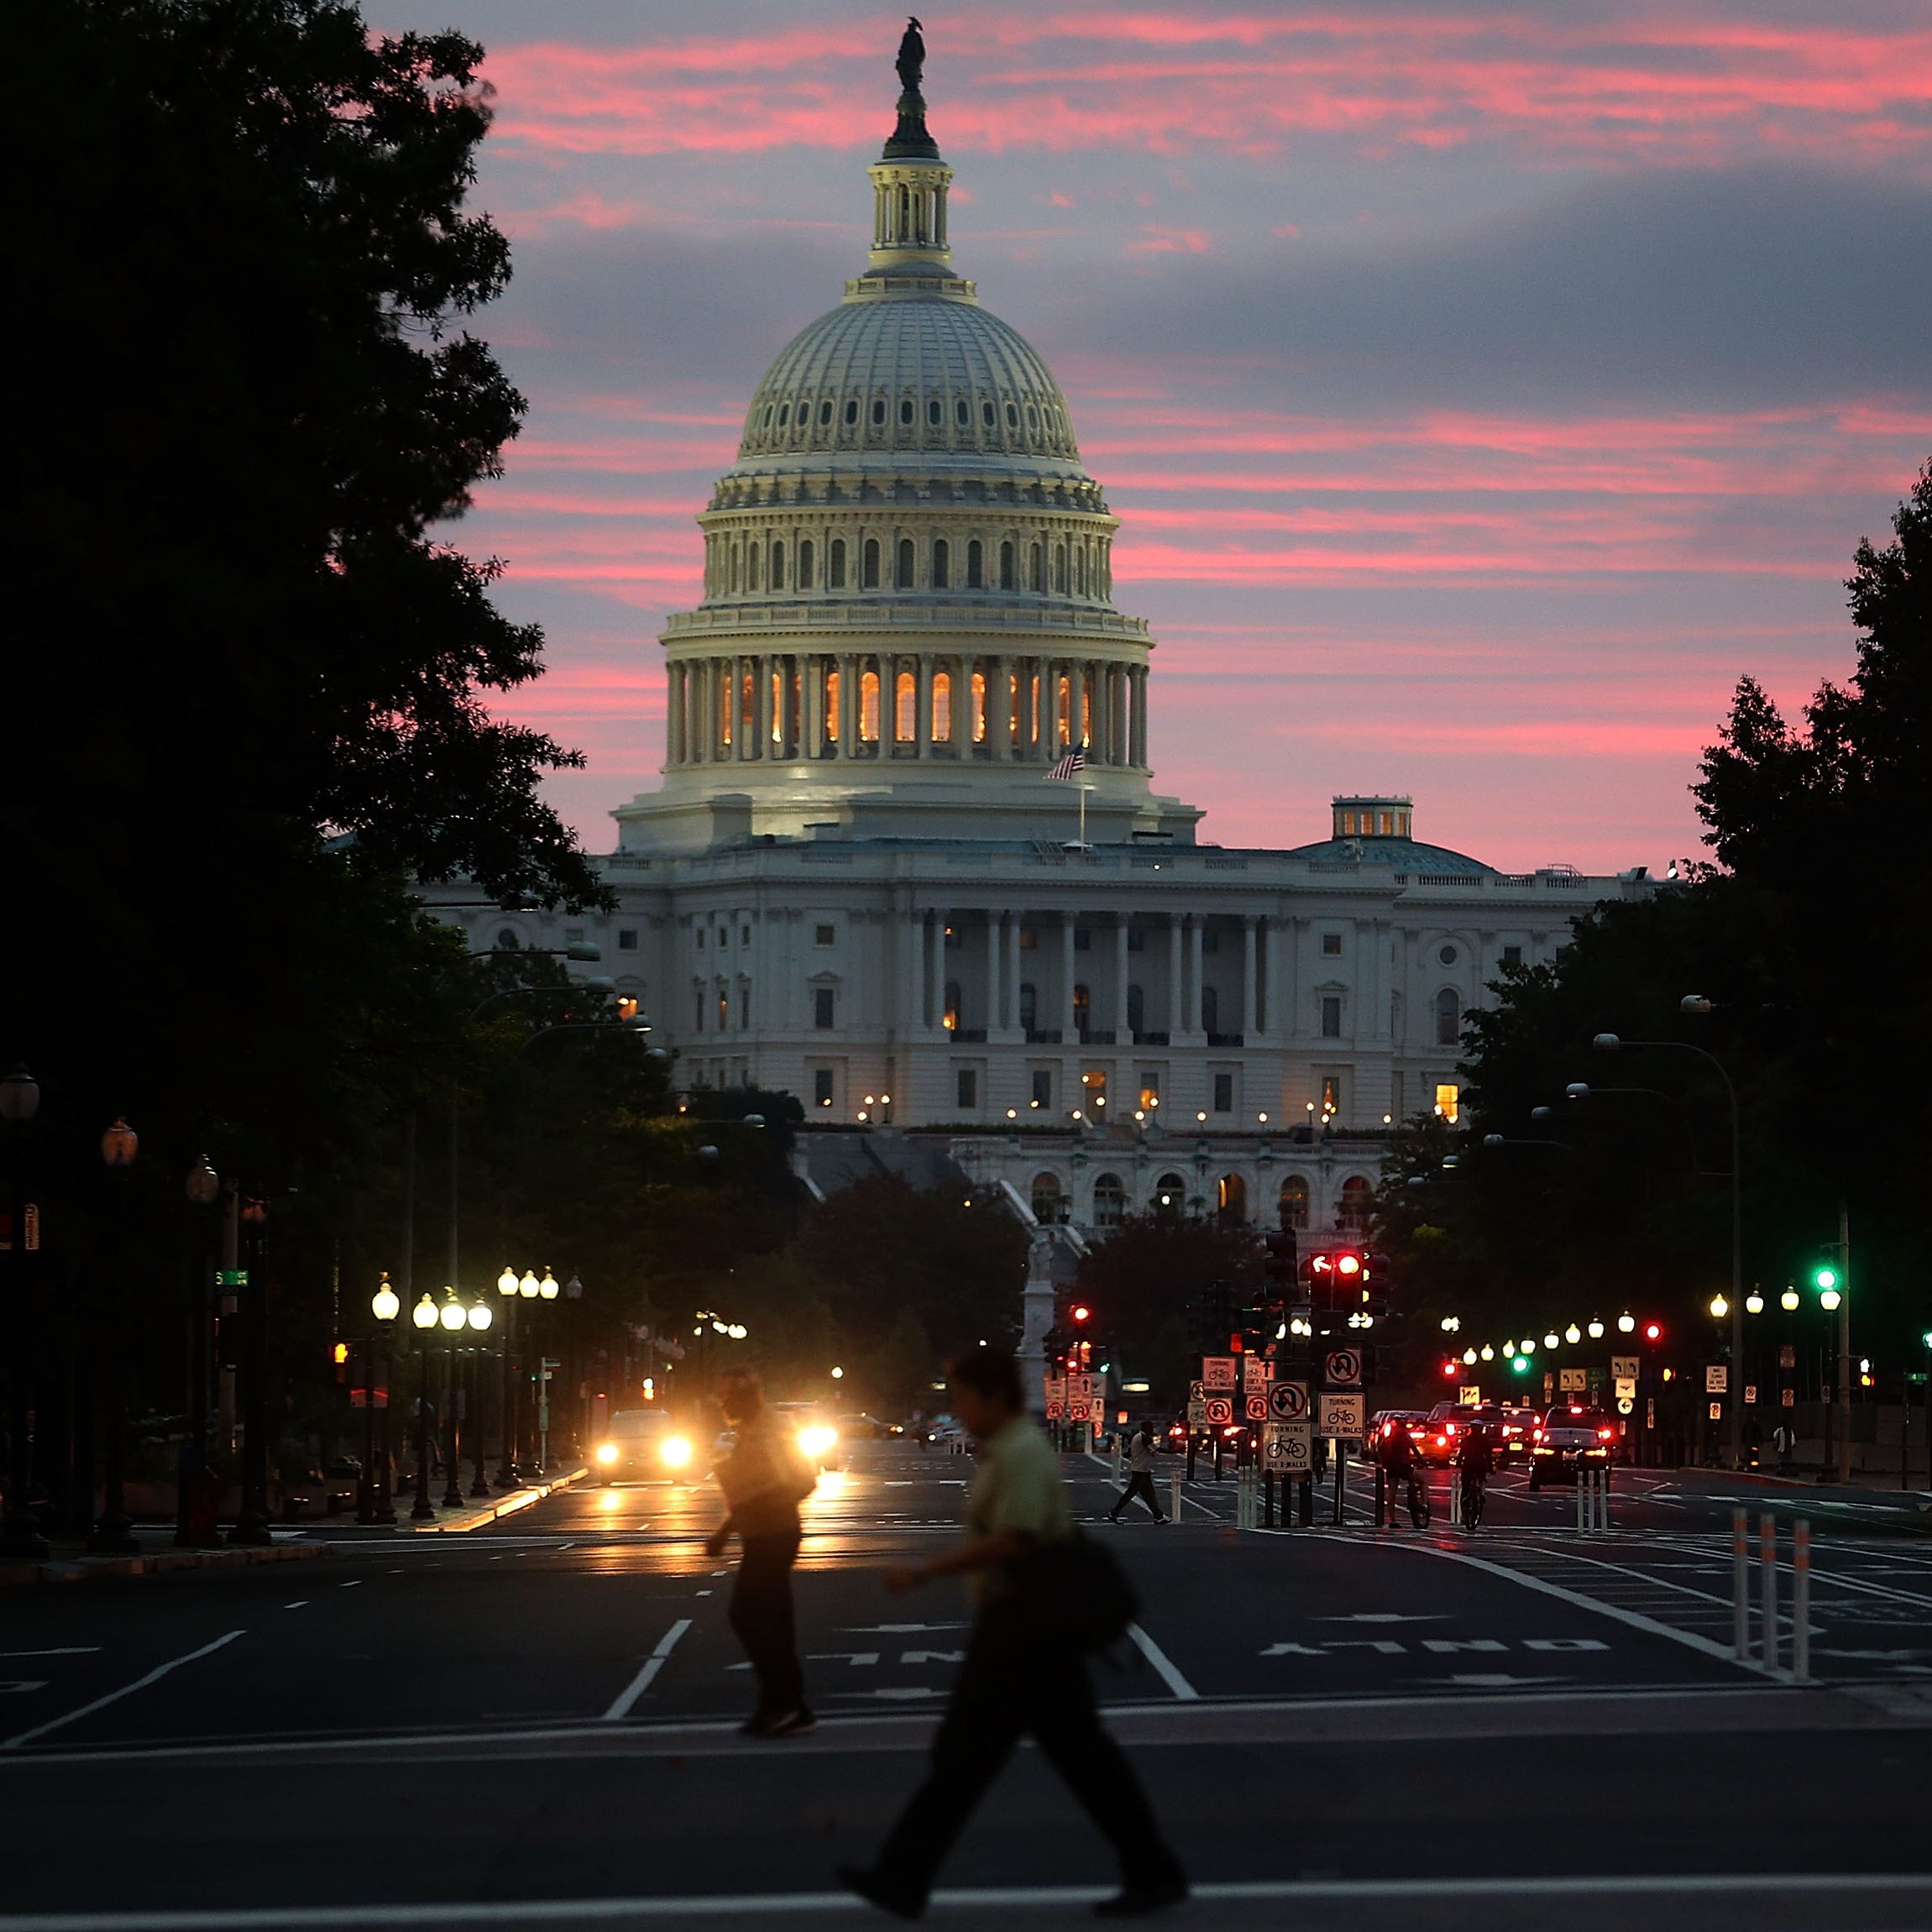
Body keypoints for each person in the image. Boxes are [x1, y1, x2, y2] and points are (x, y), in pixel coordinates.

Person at [838, 1348, 1187, 1920]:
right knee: (1046, 1754)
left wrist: (925, 1571)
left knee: (983, 1755)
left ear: (996, 1395)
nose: (959, 1409)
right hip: (1023, 1624)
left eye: (964, 1397)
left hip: (1026, 1624)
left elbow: (1015, 1539)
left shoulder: (1023, 1453)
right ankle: (1151, 1868)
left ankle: (902, 1875)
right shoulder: (1004, 1452)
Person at [704, 1371, 816, 1738]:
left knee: (746, 1614)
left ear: (747, 1398)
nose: (723, 1409)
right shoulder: (750, 1432)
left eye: (727, 1402)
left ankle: (781, 1701)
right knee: (776, 1620)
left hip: (776, 1534)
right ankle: (791, 1705)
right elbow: (746, 1490)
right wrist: (723, 1533)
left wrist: (767, 1505)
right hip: (762, 1534)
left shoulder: (773, 1429)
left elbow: (803, 1481)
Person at [1107, 1421, 1167, 1525]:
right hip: (1140, 1471)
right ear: (1145, 1428)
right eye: (1150, 1427)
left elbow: (1129, 1453)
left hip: (1143, 1470)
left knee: (1149, 1494)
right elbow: (1157, 1449)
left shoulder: (1137, 1437)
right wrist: (1176, 1451)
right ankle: (1114, 1513)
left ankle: (1158, 1517)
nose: (1152, 1430)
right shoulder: (1144, 1438)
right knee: (1131, 1493)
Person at [1377, 1417, 1416, 1526]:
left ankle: (1393, 1520)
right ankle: (1423, 1504)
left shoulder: (1388, 1438)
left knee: (1392, 1494)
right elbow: (1415, 1451)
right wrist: (1423, 1461)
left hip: (1391, 1468)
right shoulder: (1406, 1437)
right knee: (1422, 1481)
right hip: (1404, 1466)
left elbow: (1379, 1449)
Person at [1457, 1418, 1493, 1522]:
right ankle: (1481, 1494)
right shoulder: (1485, 1440)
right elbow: (1488, 1456)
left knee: (1465, 1488)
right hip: (1480, 1464)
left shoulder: (1466, 1439)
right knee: (1481, 1480)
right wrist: (1490, 1468)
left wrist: (1459, 1463)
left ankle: (1464, 1513)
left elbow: (1461, 1454)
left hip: (1468, 1465)